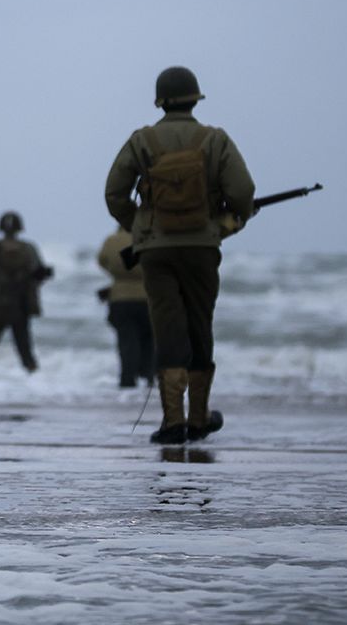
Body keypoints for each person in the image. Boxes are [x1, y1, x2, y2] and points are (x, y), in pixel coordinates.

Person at [103, 66, 255, 444]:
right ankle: (200, 418)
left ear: (160, 101)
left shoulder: (143, 141)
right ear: (195, 98)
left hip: (156, 251)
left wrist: (141, 227)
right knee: (200, 326)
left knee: (168, 329)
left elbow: (114, 193)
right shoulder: (214, 140)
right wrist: (226, 224)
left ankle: (173, 422)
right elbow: (243, 191)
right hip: (202, 248)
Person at [0, 211, 51, 374]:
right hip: (20, 304)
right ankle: (34, 378)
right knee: (24, 346)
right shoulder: (29, 249)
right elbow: (38, 275)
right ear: (19, 228)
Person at [96, 227, 154, 388]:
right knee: (150, 340)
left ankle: (127, 380)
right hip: (149, 297)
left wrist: (117, 276)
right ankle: (149, 377)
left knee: (127, 341)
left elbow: (101, 260)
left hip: (120, 297)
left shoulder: (112, 240)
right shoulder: (150, 236)